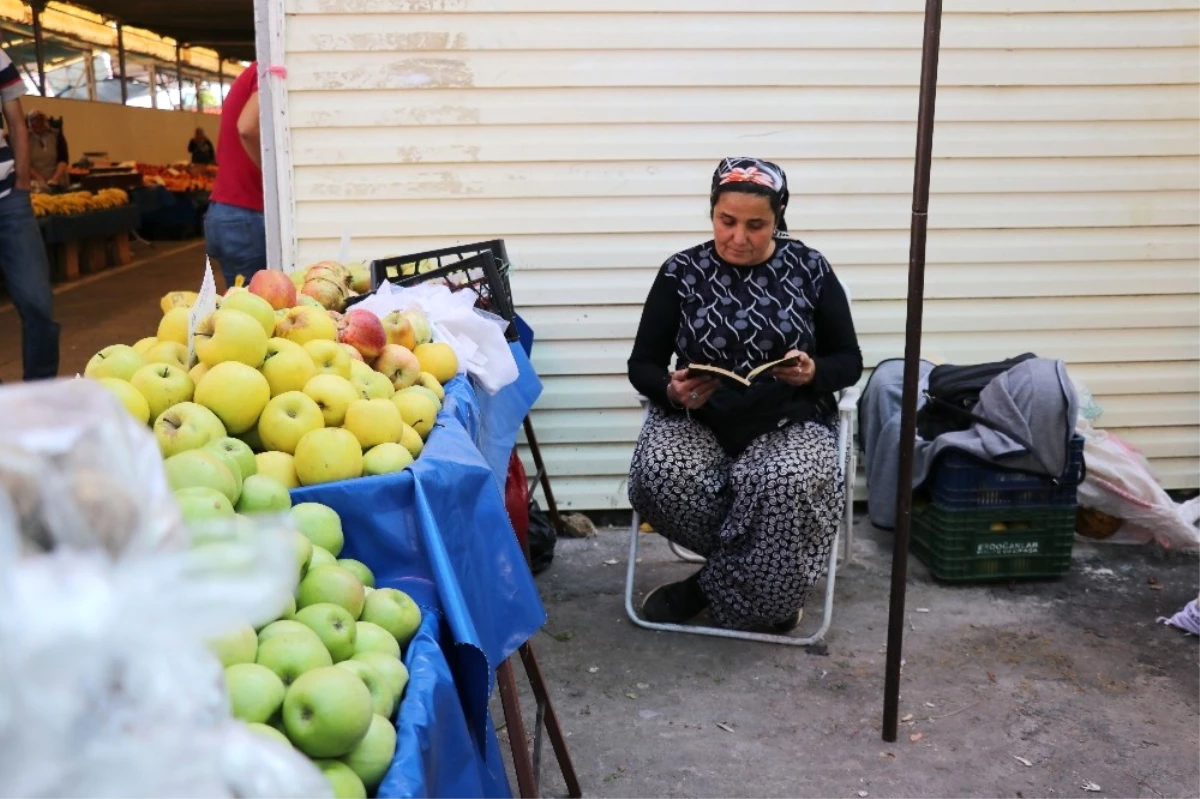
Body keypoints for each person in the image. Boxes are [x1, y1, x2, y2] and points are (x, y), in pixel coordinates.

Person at [626, 157, 862, 632]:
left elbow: (850, 360)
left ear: (779, 218)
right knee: (660, 475)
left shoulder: (810, 268)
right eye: (726, 221)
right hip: (699, 420)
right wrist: (672, 391)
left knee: (788, 484)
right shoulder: (681, 272)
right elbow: (642, 366)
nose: (738, 237)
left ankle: (706, 588)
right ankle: (765, 580)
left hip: (789, 421)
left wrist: (814, 371)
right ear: (712, 211)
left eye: (756, 225)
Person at [0, 53, 60, 380]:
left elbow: (16, 121)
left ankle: (42, 393)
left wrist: (22, 179)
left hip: (9, 199)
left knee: (37, 301)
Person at [205, 63, 264, 288]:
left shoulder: (251, 74)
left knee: (241, 306)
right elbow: (247, 127)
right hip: (247, 214)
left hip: (226, 210)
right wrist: (272, 177)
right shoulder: (268, 68)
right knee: (255, 309)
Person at [26, 110, 68, 189]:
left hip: (58, 181)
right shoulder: (26, 137)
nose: (38, 127)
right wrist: (39, 178)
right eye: (34, 125)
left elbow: (63, 160)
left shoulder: (57, 135)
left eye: (41, 124)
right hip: (35, 184)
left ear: (46, 123)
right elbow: (23, 163)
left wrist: (54, 179)